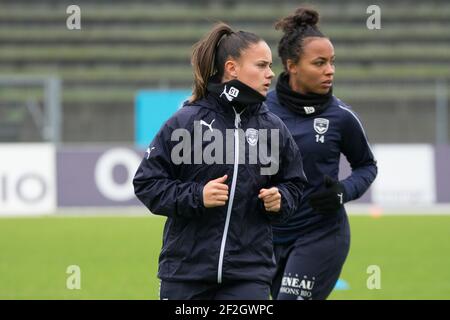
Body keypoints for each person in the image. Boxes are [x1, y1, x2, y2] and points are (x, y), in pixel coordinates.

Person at [133, 22, 307, 300]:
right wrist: (197, 195)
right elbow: (147, 183)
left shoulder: (273, 128)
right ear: (232, 68)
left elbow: (296, 184)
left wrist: (281, 198)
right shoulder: (185, 123)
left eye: (270, 65)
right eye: (261, 65)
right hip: (185, 274)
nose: (271, 74)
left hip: (250, 275)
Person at [266, 7, 378, 300]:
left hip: (320, 234)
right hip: (265, 237)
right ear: (292, 65)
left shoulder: (341, 117)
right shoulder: (259, 109)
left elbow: (367, 166)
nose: (330, 70)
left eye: (331, 62)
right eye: (319, 63)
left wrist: (343, 191)